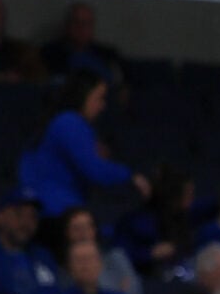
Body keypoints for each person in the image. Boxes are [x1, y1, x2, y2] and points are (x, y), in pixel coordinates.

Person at [17, 69, 137, 213]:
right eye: (99, 98)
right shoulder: (69, 122)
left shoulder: (62, 121)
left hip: (53, 204)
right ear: (83, 96)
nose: (103, 106)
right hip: (55, 209)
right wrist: (131, 176)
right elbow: (95, 170)